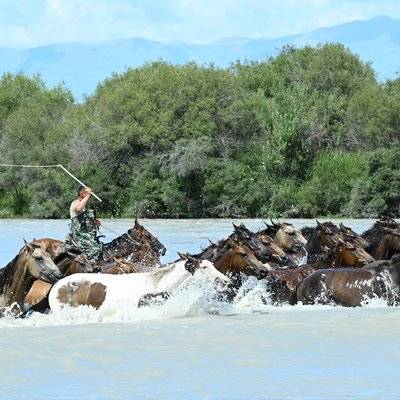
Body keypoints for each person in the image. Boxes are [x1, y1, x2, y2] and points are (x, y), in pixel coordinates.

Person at [68, 186, 102, 260]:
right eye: (87, 194)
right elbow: (78, 209)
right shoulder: (76, 203)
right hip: (79, 235)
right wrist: (88, 195)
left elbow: (86, 220)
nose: (90, 196)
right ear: (82, 194)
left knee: (101, 247)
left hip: (88, 235)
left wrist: (94, 222)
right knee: (95, 249)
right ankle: (84, 261)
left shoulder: (85, 206)